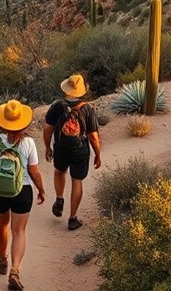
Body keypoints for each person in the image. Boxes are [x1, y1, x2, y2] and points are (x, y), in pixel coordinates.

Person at [0, 98, 46, 291]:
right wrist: (41, 189)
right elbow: (34, 171)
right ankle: (15, 270)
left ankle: (2, 259)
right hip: (23, 190)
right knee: (19, 231)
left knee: (2, 224)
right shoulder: (28, 143)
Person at [44, 74, 102, 232]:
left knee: (59, 171)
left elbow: (48, 128)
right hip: (80, 150)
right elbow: (93, 136)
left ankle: (59, 199)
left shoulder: (57, 106)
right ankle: (72, 218)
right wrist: (97, 154)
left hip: (61, 147)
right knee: (77, 181)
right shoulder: (87, 109)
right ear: (82, 90)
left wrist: (48, 147)